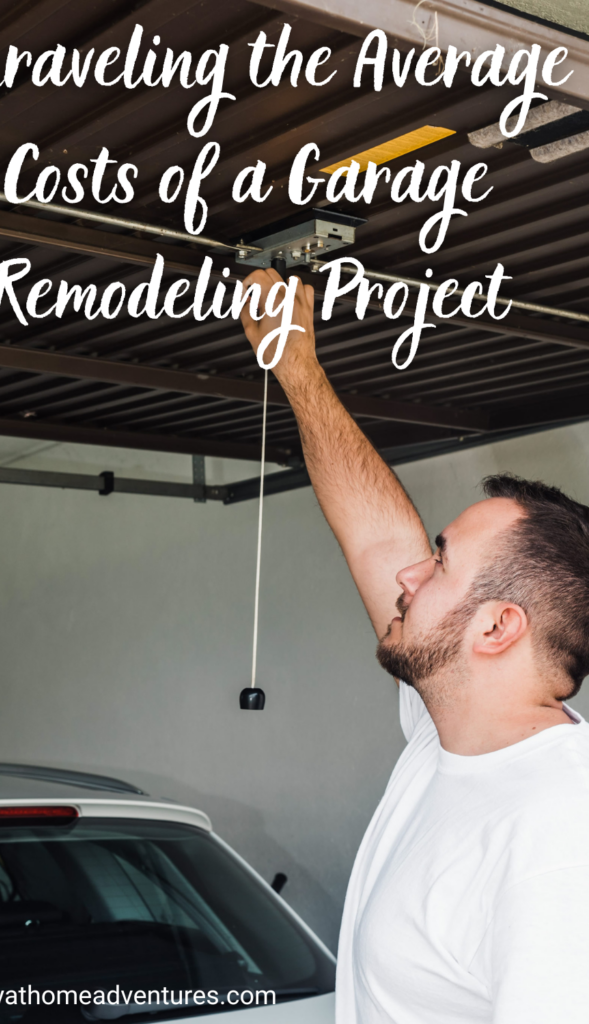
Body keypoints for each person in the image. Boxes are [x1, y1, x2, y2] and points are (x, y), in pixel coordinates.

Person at [240, 268, 589, 1024]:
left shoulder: (560, 834)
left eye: (437, 561)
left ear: (495, 628)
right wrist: (293, 362)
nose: (406, 570)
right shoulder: (448, 735)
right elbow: (374, 538)